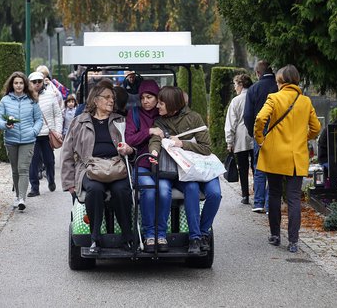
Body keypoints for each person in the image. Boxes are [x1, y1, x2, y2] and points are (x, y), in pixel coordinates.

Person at [60, 82, 135, 253]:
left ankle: (127, 236)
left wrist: (129, 150)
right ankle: (95, 237)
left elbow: (133, 144)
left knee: (122, 189)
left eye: (112, 98)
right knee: (94, 189)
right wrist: (69, 182)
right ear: (95, 100)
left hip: (116, 165)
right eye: (107, 97)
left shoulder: (120, 120)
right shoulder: (79, 122)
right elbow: (67, 153)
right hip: (89, 168)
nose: (111, 101)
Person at [254, 64, 320, 253]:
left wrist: (261, 139)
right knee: (293, 198)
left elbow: (260, 120)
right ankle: (293, 241)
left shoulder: (274, 98)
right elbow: (315, 128)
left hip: (274, 154)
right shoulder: (305, 101)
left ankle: (275, 235)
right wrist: (302, 138)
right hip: (296, 156)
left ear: (281, 81)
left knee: (274, 194)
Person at [149, 86, 221, 255]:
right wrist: (154, 151)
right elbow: (155, 139)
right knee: (192, 188)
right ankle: (194, 238)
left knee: (215, 194)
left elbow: (206, 149)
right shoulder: (160, 121)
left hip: (201, 166)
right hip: (184, 170)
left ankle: (203, 233)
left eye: (161, 103)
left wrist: (182, 144)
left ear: (172, 104)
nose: (157, 107)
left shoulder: (194, 118)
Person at [124, 80, 171, 253]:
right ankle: (149, 234)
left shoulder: (163, 114)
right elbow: (130, 139)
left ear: (157, 98)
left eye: (149, 97)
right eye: (143, 97)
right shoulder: (134, 114)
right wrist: (149, 131)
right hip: (142, 163)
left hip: (162, 165)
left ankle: (161, 234)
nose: (145, 101)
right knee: (149, 190)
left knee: (164, 191)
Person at [0, 71, 42, 211]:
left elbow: (38, 119)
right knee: (15, 170)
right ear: (12, 84)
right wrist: (5, 125)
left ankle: (22, 198)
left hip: (28, 139)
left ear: (25, 84)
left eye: (21, 83)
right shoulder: (5, 101)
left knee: (23, 169)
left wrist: (34, 131)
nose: (19, 85)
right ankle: (17, 195)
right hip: (11, 139)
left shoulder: (31, 100)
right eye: (16, 83)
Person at [243, 60, 278, 213]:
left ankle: (258, 202)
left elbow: (248, 115)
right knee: (275, 168)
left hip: (261, 132)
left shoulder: (253, 89)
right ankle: (271, 204)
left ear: (258, 73)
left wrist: (253, 133)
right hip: (278, 131)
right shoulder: (279, 87)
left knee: (260, 167)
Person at [27, 71, 62, 196]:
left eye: (39, 81)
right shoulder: (26, 97)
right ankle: (34, 188)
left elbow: (58, 114)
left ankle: (51, 179)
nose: (37, 84)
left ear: (43, 82)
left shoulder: (50, 95)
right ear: (30, 83)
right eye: (34, 82)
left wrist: (57, 131)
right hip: (32, 135)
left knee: (49, 160)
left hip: (47, 134)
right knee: (33, 162)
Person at [225, 74, 255, 204]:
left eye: (235, 84)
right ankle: (258, 192)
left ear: (241, 85)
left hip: (241, 138)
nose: (234, 87)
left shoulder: (236, 101)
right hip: (255, 136)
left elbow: (231, 123)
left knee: (242, 168)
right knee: (256, 167)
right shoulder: (254, 97)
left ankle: (245, 195)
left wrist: (229, 141)